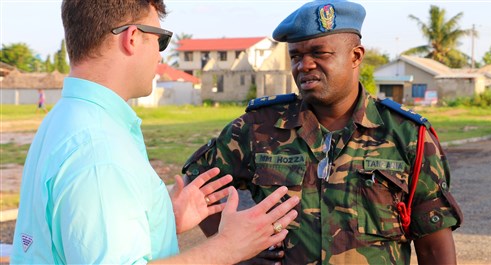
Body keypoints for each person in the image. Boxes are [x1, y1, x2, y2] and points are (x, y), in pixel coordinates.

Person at [10, 0, 299, 264]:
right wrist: (227, 248)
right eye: (161, 41)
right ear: (132, 38)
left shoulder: (66, 117)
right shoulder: (99, 148)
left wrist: (161, 220)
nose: (160, 56)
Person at [182, 0, 463, 264]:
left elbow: (433, 239)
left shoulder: (407, 136)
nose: (304, 65)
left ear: (355, 56)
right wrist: (234, 251)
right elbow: (195, 185)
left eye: (319, 53)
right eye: (296, 56)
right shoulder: (258, 128)